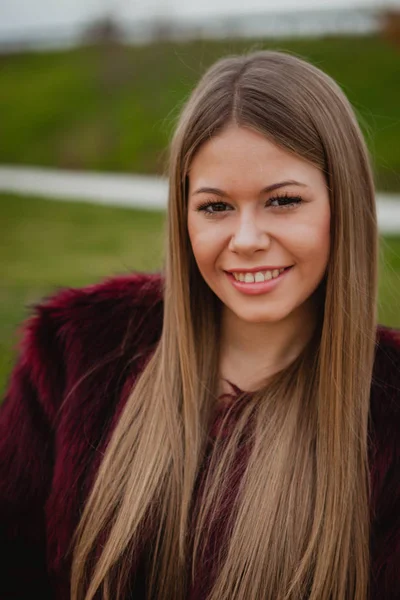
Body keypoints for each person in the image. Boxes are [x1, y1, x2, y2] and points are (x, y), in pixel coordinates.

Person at [0, 50, 399, 600]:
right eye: (215, 207)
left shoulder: (391, 413)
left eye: (283, 201)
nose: (247, 238)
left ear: (344, 204)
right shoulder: (76, 352)